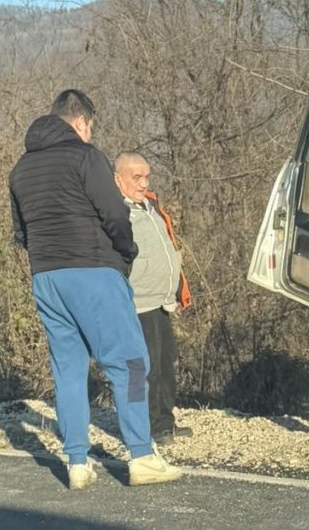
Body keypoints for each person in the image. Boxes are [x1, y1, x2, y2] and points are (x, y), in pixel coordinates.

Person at [8, 90, 182, 489]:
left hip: (47, 278)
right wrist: (125, 255)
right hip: (93, 270)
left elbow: (20, 231)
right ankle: (141, 455)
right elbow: (115, 214)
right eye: (90, 127)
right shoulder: (86, 157)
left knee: (68, 369)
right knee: (131, 363)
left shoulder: (20, 169)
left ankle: (76, 463)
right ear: (82, 122)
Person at [114, 152, 194, 445]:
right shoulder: (115, 212)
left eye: (146, 176)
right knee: (141, 368)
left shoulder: (151, 206)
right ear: (118, 179)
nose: (143, 183)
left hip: (162, 301)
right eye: (136, 177)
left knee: (164, 364)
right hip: (136, 303)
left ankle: (165, 421)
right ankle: (143, 427)